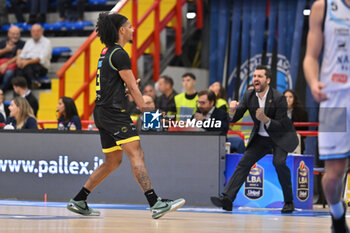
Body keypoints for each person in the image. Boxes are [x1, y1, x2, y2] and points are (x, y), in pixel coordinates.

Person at [66, 13, 185, 219]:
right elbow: (132, 86)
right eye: (130, 26)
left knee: (113, 161)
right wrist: (146, 109)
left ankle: (79, 199)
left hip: (102, 112)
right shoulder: (120, 54)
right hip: (113, 114)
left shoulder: (106, 52)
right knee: (136, 154)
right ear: (121, 30)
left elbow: (114, 85)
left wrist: (125, 92)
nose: (133, 29)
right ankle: (154, 202)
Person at [210, 65, 298, 213]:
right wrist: (232, 110)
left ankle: (289, 201)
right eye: (254, 76)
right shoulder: (248, 95)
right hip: (261, 138)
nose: (256, 78)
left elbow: (282, 124)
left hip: (280, 137)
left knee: (279, 163)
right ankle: (227, 199)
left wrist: (266, 120)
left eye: (260, 76)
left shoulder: (279, 97)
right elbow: (235, 118)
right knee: (244, 163)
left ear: (268, 80)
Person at [303, 0, 350, 232]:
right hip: (335, 100)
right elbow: (311, 56)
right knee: (334, 174)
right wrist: (313, 83)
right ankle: (337, 213)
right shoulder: (324, 7)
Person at [17, 24, 51, 88]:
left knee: (25, 68)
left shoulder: (47, 42)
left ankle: (31, 83)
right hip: (28, 66)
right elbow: (22, 55)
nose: (36, 33)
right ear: (31, 32)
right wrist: (19, 61)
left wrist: (26, 62)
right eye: (33, 31)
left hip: (41, 67)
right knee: (19, 70)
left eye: (38, 31)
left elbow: (40, 59)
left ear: (42, 32)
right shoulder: (28, 42)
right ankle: (33, 82)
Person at [0, 26, 25, 92]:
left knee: (9, 73)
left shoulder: (22, 44)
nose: (15, 36)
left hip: (13, 66)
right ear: (8, 34)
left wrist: (6, 64)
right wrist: (6, 50)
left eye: (17, 34)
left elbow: (20, 56)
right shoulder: (2, 42)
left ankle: (1, 91)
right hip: (1, 64)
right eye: (13, 34)